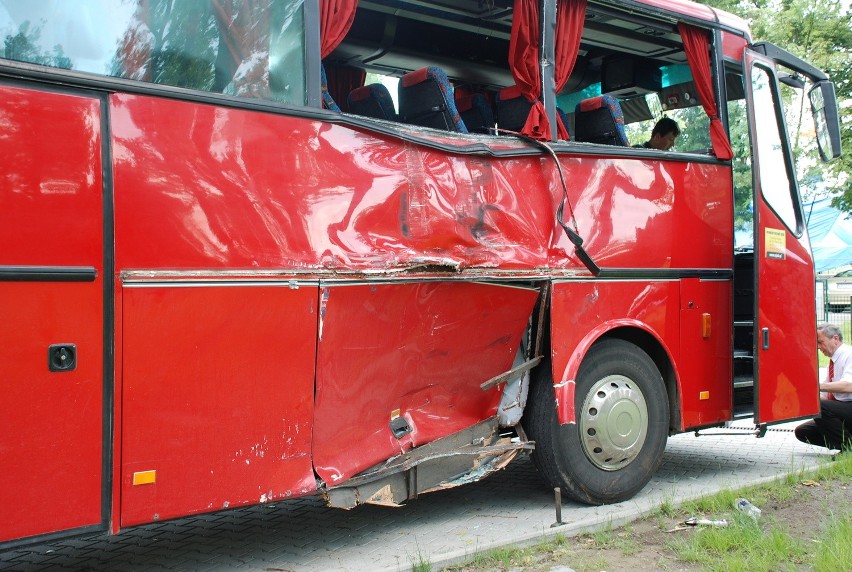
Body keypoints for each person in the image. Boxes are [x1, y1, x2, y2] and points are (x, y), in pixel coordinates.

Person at [794, 323, 852, 451]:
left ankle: (847, 448)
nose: (818, 347)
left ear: (835, 339)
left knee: (820, 406)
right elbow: (825, 396)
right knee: (802, 432)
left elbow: (849, 385)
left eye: (820, 342)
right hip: (844, 408)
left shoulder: (849, 354)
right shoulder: (833, 362)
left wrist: (816, 386)